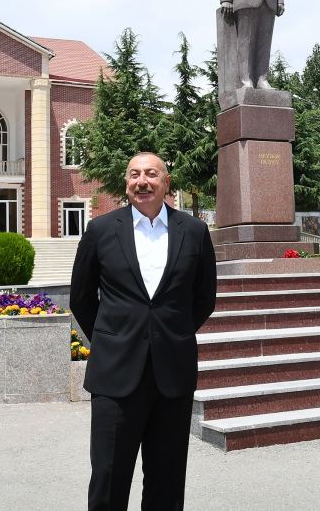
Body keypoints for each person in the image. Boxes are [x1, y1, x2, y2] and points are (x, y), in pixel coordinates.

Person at [70, 152, 217, 511]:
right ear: (126, 184)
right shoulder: (101, 230)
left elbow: (204, 298)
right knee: (108, 480)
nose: (142, 182)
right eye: (134, 174)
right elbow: (81, 298)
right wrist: (113, 339)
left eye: (151, 174)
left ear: (166, 182)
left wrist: (171, 333)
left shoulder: (194, 231)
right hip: (115, 375)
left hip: (172, 374)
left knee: (167, 482)